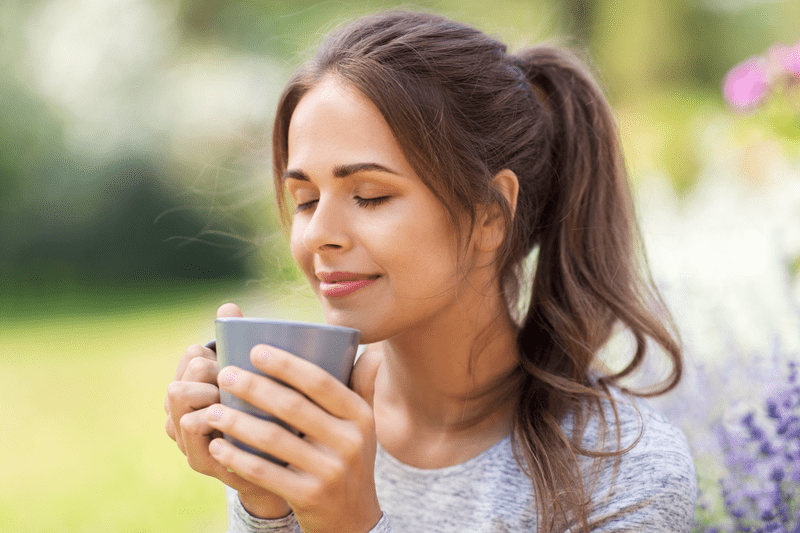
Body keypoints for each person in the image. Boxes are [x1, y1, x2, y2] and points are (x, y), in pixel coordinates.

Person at [164, 9, 697, 533]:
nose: (317, 234)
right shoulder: (300, 433)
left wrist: (350, 524)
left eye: (369, 196)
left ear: (491, 213)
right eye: (305, 199)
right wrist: (266, 504)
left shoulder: (625, 471)